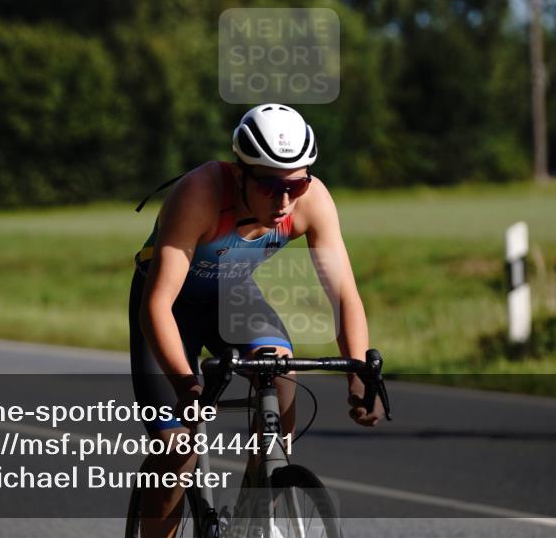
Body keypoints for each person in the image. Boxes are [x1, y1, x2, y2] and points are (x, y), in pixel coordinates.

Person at [129, 103, 384, 537]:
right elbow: (157, 307)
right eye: (269, 185)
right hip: (169, 309)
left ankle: (257, 509)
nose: (284, 201)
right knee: (178, 449)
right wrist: (187, 386)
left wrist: (359, 377)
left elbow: (344, 295)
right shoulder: (200, 195)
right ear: (238, 173)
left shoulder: (312, 201)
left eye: (296, 184)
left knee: (280, 373)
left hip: (232, 296)